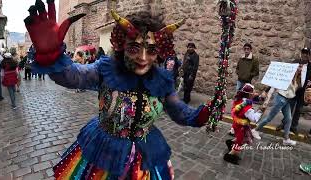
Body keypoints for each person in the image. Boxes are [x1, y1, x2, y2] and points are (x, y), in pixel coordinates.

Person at [24, 1, 211, 179]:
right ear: (122, 46)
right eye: (134, 48)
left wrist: (200, 115)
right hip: (105, 150)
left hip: (145, 153)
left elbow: (179, 111)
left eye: (151, 50)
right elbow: (74, 76)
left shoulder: (162, 81)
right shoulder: (106, 69)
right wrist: (52, 56)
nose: (143, 57)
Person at [251, 63, 304, 146]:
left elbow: (296, 89)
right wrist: (266, 91)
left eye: (301, 67)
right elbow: (274, 81)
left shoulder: (297, 79)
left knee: (289, 119)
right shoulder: (287, 75)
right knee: (269, 118)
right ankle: (255, 130)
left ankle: (286, 139)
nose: (300, 68)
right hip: (281, 98)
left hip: (287, 100)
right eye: (299, 66)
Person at [224, 83, 265, 165]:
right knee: (240, 141)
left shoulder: (240, 99)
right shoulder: (246, 108)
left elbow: (253, 99)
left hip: (238, 124)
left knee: (243, 138)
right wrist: (261, 111)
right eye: (252, 92)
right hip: (241, 127)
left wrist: (262, 97)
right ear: (248, 95)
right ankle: (230, 156)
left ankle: (231, 142)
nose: (254, 93)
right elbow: (254, 118)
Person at [276, 47, 311, 134]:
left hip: (303, 91)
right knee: (289, 108)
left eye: (306, 53)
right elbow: (287, 73)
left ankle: (293, 126)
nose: (305, 55)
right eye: (303, 53)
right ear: (301, 53)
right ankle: (284, 124)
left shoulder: (310, 66)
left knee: (298, 110)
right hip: (293, 89)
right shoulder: (295, 62)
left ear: (309, 55)